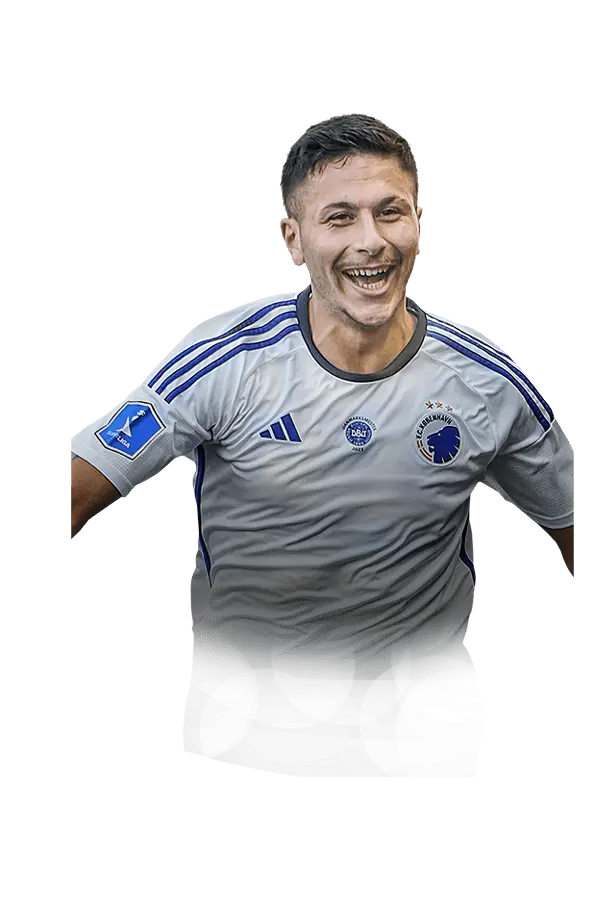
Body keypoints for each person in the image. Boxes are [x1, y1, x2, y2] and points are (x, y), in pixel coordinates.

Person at [69, 115, 573, 766]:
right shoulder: (226, 362)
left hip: (426, 727)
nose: (372, 241)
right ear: (294, 240)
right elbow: (75, 490)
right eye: (339, 218)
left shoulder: (489, 381)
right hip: (241, 720)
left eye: (390, 212)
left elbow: (568, 524)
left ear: (418, 224)